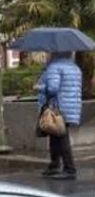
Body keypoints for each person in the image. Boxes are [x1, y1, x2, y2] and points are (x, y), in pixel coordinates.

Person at [36, 52, 83, 180]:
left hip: (59, 108)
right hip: (71, 106)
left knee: (62, 138)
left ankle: (69, 168)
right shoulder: (75, 68)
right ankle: (54, 164)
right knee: (55, 136)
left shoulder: (54, 67)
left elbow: (52, 89)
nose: (47, 55)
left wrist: (40, 87)